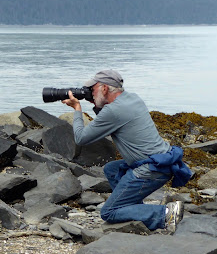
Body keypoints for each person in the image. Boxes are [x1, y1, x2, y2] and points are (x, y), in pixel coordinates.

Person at [62, 70, 191, 232]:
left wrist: (77, 109)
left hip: (151, 169)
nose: (89, 93)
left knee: (109, 212)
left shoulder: (113, 111)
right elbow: (113, 119)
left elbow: (81, 138)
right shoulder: (132, 98)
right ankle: (135, 210)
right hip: (163, 162)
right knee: (112, 169)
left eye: (92, 89)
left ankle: (165, 214)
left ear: (104, 89)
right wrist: (96, 103)